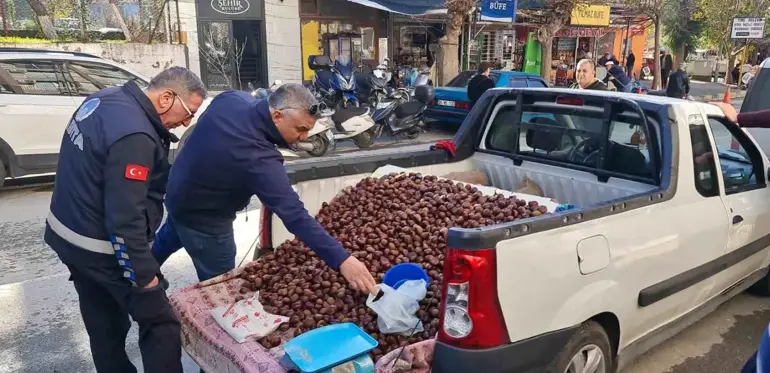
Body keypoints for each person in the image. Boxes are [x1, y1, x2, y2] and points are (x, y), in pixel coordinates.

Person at [44, 67, 206, 373]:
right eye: (188, 113)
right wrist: (144, 275)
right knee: (160, 324)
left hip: (67, 236)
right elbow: (124, 217)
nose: (186, 123)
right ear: (166, 97)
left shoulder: (107, 98)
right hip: (100, 247)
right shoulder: (137, 136)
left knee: (104, 322)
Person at [151, 84, 378, 294]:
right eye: (300, 129)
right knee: (220, 291)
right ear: (277, 116)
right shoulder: (259, 158)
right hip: (208, 223)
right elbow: (295, 216)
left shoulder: (232, 99)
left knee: (167, 239)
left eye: (308, 130)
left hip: (177, 197)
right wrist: (342, 260)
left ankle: (139, 275)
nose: (304, 137)